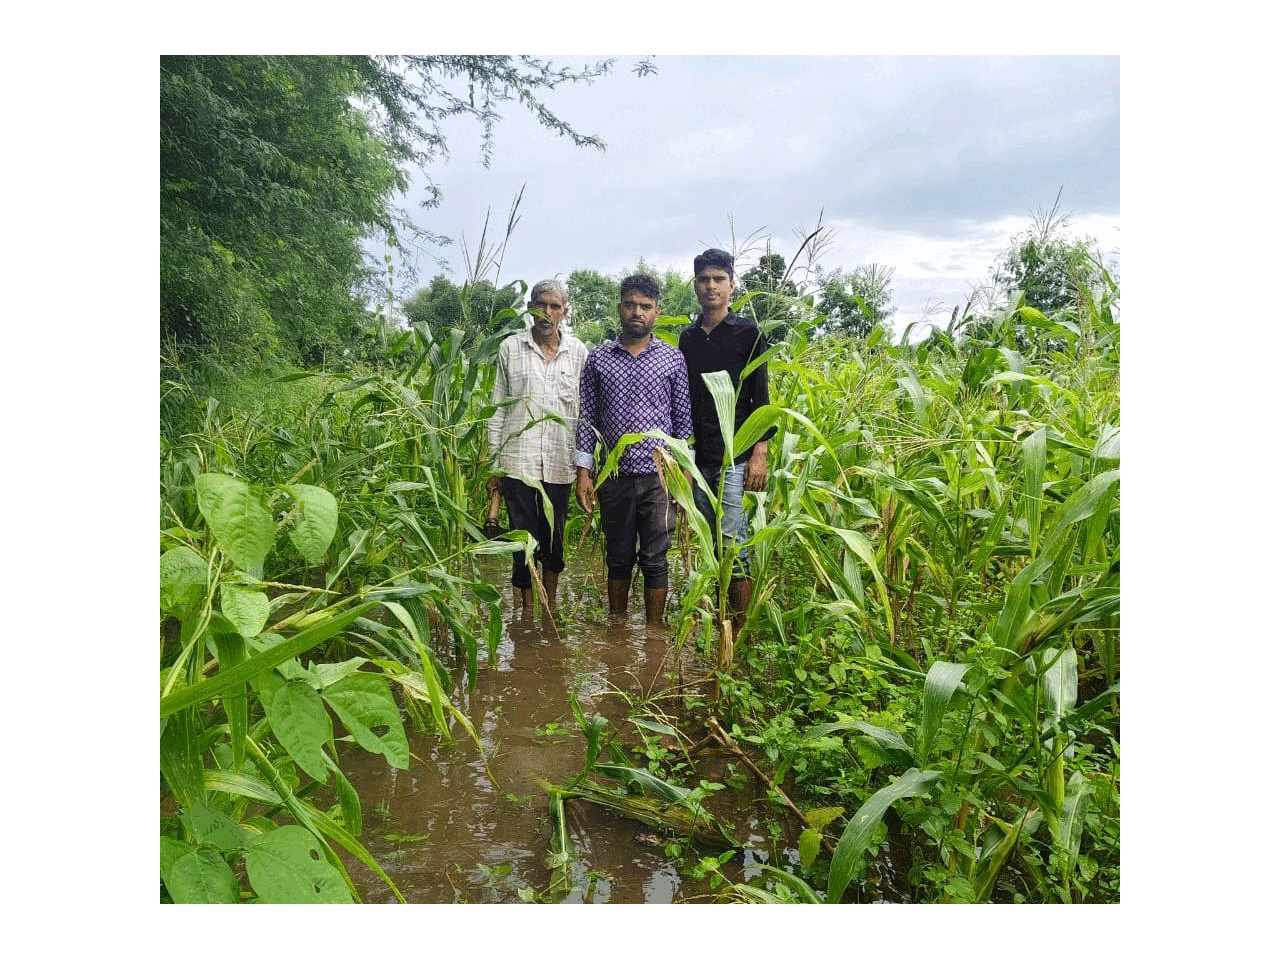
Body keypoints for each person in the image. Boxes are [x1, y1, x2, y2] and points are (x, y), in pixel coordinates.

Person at [575, 275, 693, 623]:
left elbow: (683, 421)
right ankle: (618, 627)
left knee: (656, 558)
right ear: (619, 309)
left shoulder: (672, 359)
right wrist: (584, 473)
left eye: (645, 306)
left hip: (661, 477)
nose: (636, 312)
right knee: (618, 556)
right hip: (614, 475)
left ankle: (654, 631)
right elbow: (587, 419)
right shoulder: (598, 360)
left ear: (657, 312)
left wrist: (684, 476)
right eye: (630, 305)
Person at [678, 248, 776, 637]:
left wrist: (760, 452)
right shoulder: (687, 339)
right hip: (698, 458)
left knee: (734, 539)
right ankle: (717, 619)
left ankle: (741, 629)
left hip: (735, 455)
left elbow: (761, 397)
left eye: (718, 278)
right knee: (708, 539)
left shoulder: (748, 334)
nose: (711, 286)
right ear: (696, 286)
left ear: (732, 285)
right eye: (704, 279)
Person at [487, 279, 589, 611]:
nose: (546, 313)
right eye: (540, 305)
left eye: (554, 306)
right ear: (530, 307)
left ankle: (550, 606)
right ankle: (525, 608)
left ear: (565, 311)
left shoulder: (578, 353)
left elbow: (583, 414)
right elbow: (497, 409)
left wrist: (584, 466)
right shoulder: (510, 349)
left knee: (554, 539)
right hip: (517, 462)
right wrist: (494, 465)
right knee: (522, 539)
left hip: (559, 464)